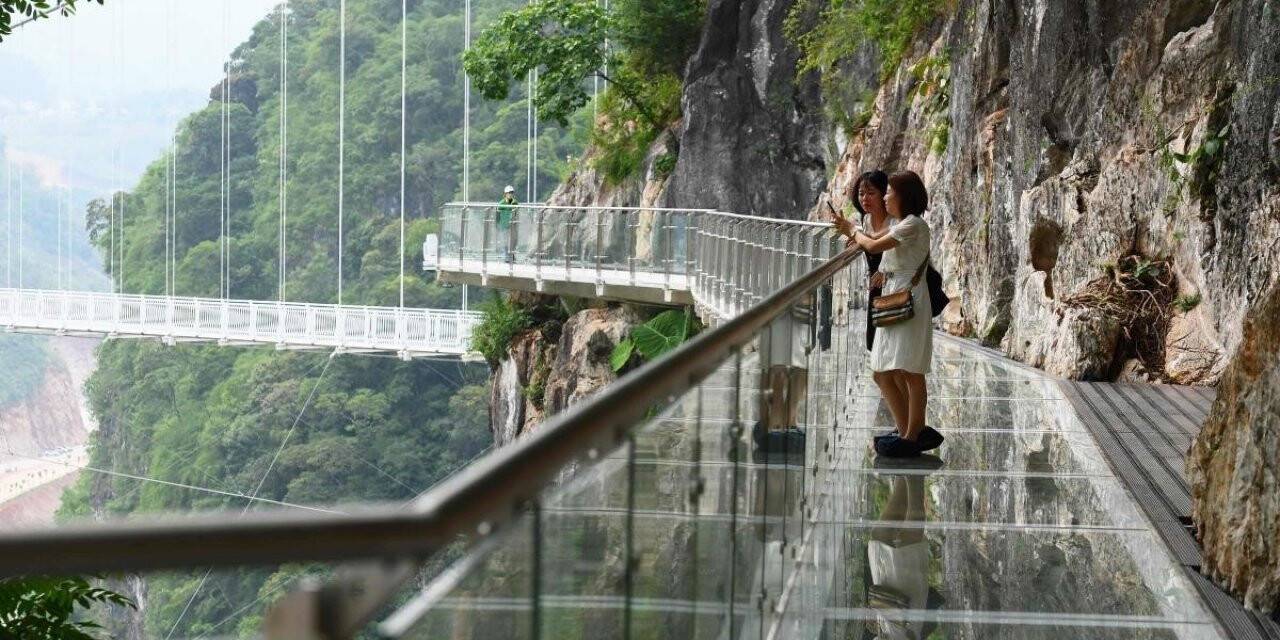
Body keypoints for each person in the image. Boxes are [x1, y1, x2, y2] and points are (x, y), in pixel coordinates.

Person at [848, 171, 941, 458]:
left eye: (888, 192)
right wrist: (882, 272)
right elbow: (877, 239)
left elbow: (874, 244)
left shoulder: (913, 224)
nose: (885, 196)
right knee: (884, 371)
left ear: (903, 196)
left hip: (909, 302)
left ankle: (912, 435)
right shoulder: (903, 224)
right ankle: (907, 431)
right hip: (896, 298)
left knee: (911, 371)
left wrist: (851, 231)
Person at [832, 170, 890, 351]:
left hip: (892, 284)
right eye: (861, 193)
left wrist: (855, 234)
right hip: (876, 286)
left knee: (890, 344)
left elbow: (877, 245)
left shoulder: (894, 221)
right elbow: (870, 240)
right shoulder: (866, 220)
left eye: (871, 193)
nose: (865, 198)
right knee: (875, 343)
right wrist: (859, 239)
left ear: (884, 195)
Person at [497, 185, 519, 262]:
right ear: (505, 194)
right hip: (504, 225)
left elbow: (517, 213)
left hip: (513, 225)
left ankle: (512, 255)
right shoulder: (501, 203)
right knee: (505, 241)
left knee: (514, 240)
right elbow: (498, 215)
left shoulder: (515, 202)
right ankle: (506, 256)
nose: (511, 194)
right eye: (509, 193)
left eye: (512, 192)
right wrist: (498, 224)